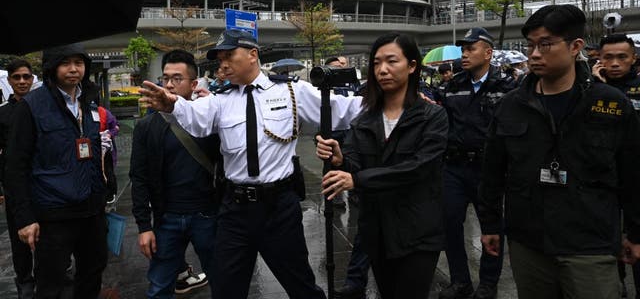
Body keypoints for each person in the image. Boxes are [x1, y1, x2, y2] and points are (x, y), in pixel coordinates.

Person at [138, 29, 363, 299]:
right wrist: (172, 105)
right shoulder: (219, 100)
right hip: (235, 212)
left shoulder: (291, 90)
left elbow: (342, 109)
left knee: (302, 287)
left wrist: (395, 101)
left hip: (279, 208)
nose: (222, 64)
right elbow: (195, 116)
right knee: (226, 290)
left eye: (229, 56)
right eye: (219, 58)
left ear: (253, 55)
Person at [478, 4, 640, 299]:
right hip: (529, 241)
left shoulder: (611, 104)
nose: (535, 53)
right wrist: (490, 224)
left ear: (575, 46)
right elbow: (493, 170)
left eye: (546, 44)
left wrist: (635, 231)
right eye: (531, 45)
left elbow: (632, 173)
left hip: (590, 244)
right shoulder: (511, 106)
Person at [315, 32, 448, 299]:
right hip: (377, 230)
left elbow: (419, 167)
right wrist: (341, 159)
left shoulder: (432, 115)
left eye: (391, 61)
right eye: (376, 63)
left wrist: (358, 180)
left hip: (417, 232)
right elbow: (353, 162)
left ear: (412, 66)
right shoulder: (365, 118)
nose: (382, 70)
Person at [4, 43, 108, 298]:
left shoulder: (89, 100)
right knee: (51, 283)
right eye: (65, 63)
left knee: (92, 274)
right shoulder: (32, 106)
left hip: (92, 210)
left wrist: (105, 192)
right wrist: (25, 218)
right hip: (53, 214)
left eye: (79, 63)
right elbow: (15, 166)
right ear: (52, 68)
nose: (74, 69)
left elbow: (95, 151)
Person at [130, 49, 220, 298]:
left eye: (177, 78)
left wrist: (213, 103)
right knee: (159, 287)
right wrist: (143, 227)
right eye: (165, 77)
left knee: (224, 282)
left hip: (207, 216)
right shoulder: (147, 127)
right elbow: (139, 178)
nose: (168, 84)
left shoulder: (211, 122)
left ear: (193, 84)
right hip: (167, 218)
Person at [438, 27, 514, 299]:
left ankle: (488, 284)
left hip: (488, 169)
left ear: (488, 52)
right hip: (454, 167)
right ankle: (460, 281)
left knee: (492, 227)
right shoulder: (452, 85)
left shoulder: (507, 86)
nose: (465, 54)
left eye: (471, 48)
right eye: (463, 49)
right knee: (449, 224)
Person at [591, 33, 640, 297]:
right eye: (608, 57)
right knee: (610, 257)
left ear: (633, 58)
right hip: (603, 183)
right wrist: (596, 87)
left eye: (622, 57)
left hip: (636, 180)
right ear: (598, 59)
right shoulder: (588, 90)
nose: (615, 63)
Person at [0, 59, 36, 299]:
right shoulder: (2, 113)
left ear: (32, 79)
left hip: (42, 183)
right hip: (14, 186)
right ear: (10, 81)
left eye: (26, 76)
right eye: (17, 77)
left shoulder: (41, 107)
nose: (22, 81)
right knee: (19, 237)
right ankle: (24, 279)